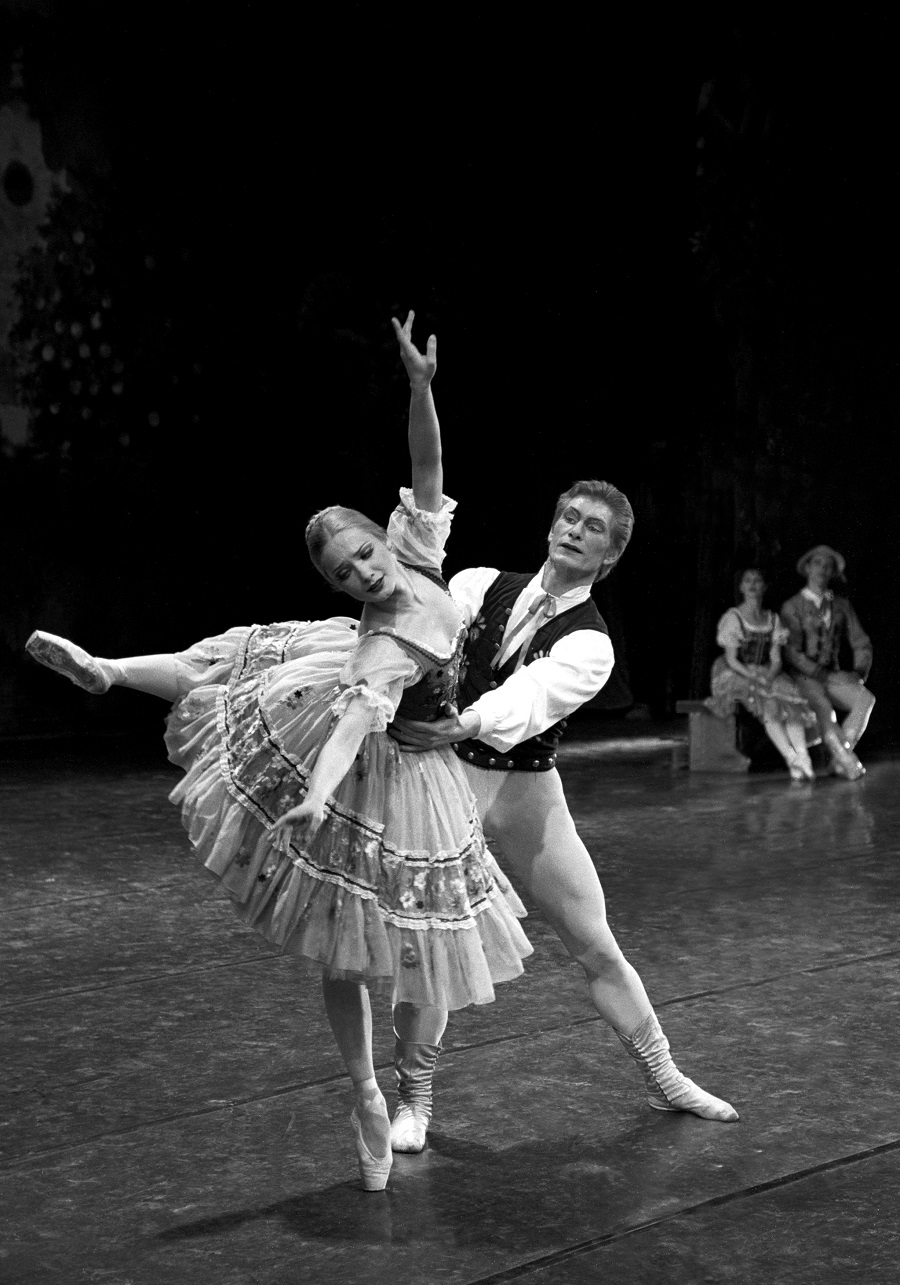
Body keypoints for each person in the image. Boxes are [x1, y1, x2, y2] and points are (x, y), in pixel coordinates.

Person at [25, 312, 532, 1192]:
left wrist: (420, 389)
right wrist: (320, 791)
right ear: (335, 584)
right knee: (231, 678)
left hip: (414, 755)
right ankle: (367, 1091)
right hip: (372, 747)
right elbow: (355, 721)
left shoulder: (417, 551)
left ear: (383, 538)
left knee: (405, 941)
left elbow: (428, 467)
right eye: (344, 574)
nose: (362, 573)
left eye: (363, 555)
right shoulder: (382, 642)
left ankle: (401, 1088)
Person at [388, 478, 739, 1153]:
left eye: (593, 527)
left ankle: (664, 1076)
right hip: (448, 779)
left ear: (610, 555)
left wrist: (458, 721)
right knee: (432, 940)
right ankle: (414, 1097)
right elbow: (427, 633)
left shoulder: (592, 645)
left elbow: (528, 698)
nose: (576, 529)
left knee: (594, 941)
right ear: (551, 527)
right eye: (570, 517)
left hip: (525, 787)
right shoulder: (479, 584)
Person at [706, 568, 817, 781]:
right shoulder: (734, 617)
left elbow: (776, 658)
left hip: (766, 669)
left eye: (757, 581)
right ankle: (792, 758)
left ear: (764, 587)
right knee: (769, 706)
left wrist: (771, 674)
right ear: (741, 587)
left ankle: (803, 758)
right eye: (747, 581)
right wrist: (753, 676)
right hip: (737, 672)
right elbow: (732, 659)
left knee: (791, 707)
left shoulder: (772, 619)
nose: (752, 585)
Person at [780, 545, 874, 781]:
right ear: (807, 568)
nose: (822, 569)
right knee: (823, 708)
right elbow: (792, 652)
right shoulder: (793, 606)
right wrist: (820, 673)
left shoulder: (841, 605)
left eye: (828, 566)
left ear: (833, 573)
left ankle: (838, 759)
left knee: (865, 699)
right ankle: (848, 762)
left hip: (833, 675)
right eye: (817, 564)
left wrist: (858, 672)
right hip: (804, 675)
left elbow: (861, 642)